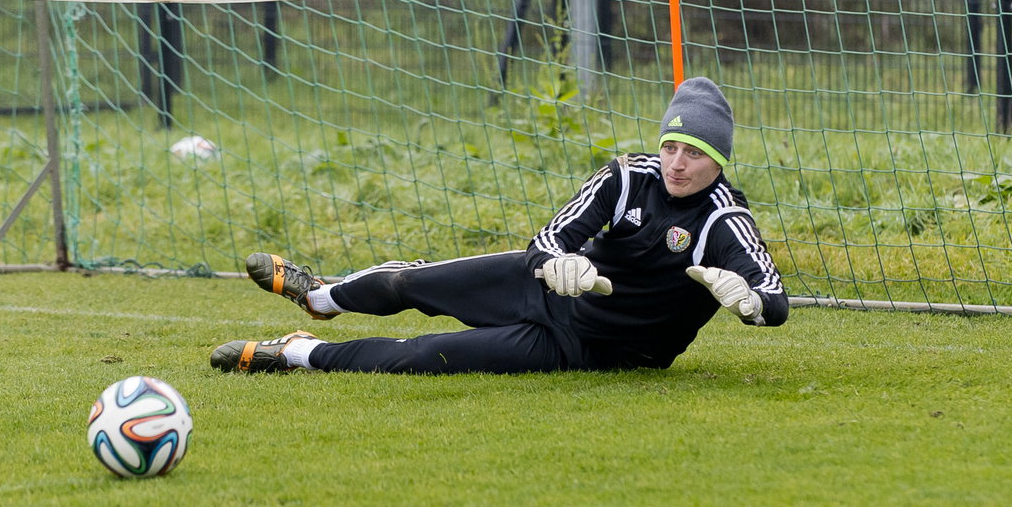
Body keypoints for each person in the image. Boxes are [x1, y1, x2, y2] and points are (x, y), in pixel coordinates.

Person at [210, 77, 788, 374]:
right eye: (670, 146)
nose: (678, 163)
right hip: (541, 290)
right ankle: (323, 296)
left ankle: (295, 355)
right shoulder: (624, 178)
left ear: (720, 161)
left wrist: (752, 302)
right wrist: (558, 262)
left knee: (423, 355)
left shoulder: (723, 219)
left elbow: (774, 297)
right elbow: (549, 239)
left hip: (582, 348)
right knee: (413, 284)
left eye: (694, 152)